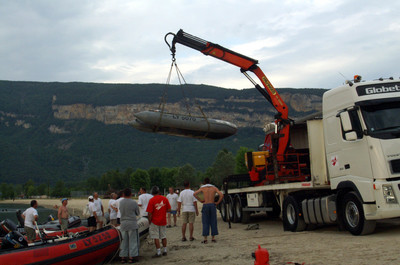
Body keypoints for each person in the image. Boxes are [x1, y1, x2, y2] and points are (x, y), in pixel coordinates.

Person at [194, 178, 223, 244]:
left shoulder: (202, 188)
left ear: (204, 182)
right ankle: (213, 238)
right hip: (212, 204)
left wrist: (201, 200)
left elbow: (195, 194)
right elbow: (221, 195)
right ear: (210, 181)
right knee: (213, 221)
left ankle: (205, 239)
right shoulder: (214, 188)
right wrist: (217, 202)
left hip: (206, 204)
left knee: (205, 221)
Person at [146, 186, 171, 257]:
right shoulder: (164, 198)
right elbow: (169, 209)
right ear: (159, 191)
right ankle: (165, 250)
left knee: (155, 237)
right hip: (163, 220)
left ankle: (158, 252)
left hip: (154, 221)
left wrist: (149, 221)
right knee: (163, 236)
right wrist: (162, 210)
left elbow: (149, 213)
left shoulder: (151, 200)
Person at [119, 188, 140, 264]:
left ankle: (123, 257)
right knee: (133, 241)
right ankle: (132, 257)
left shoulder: (121, 202)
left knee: (124, 241)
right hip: (132, 223)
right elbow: (137, 213)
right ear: (131, 194)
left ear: (123, 194)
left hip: (123, 223)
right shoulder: (134, 202)